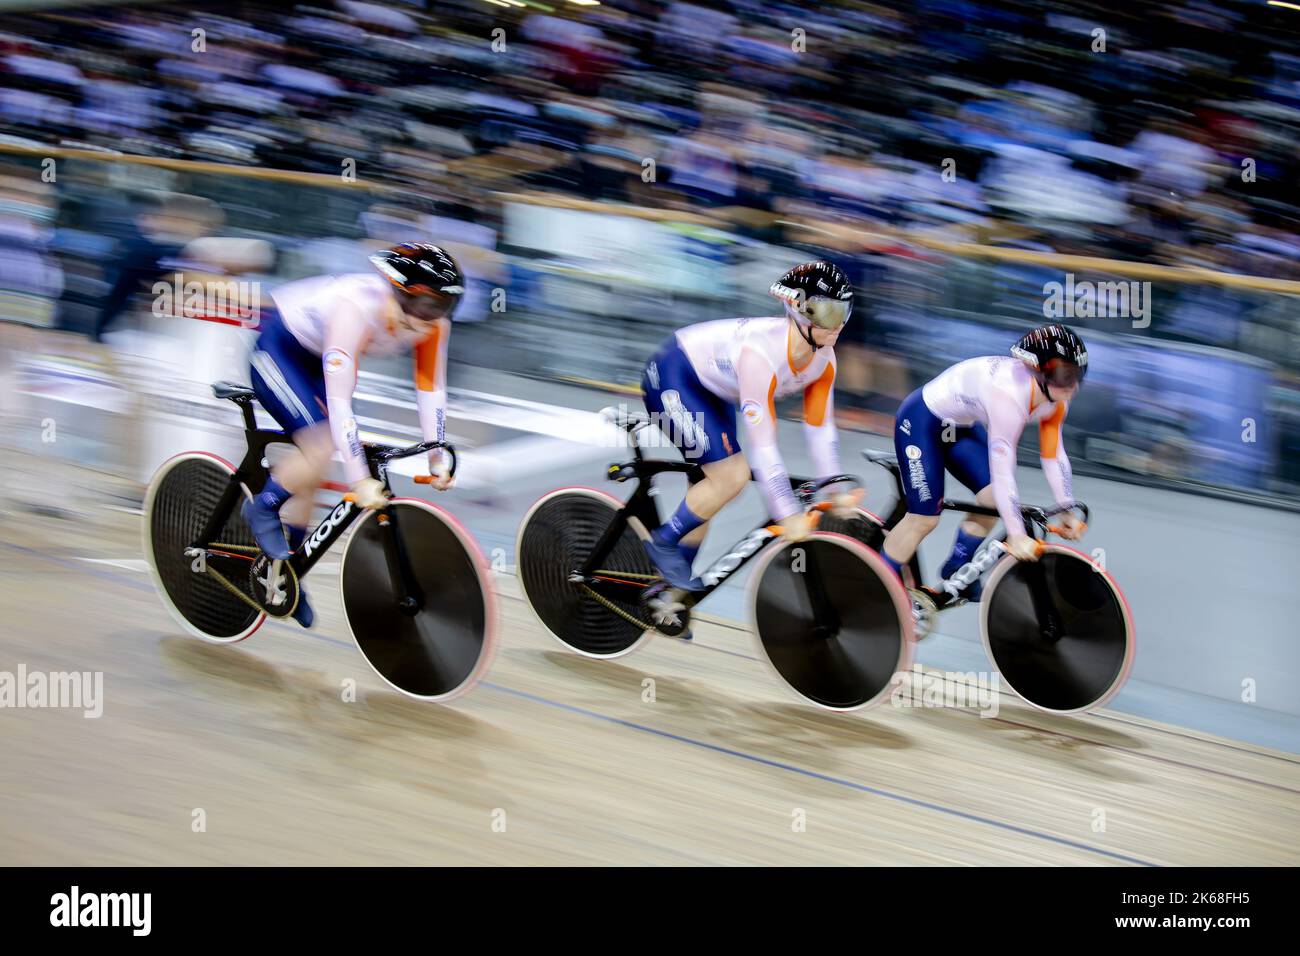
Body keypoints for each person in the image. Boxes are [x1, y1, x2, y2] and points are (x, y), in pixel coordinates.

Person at [241, 242, 463, 627]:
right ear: (399, 290)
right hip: (281, 351)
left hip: (319, 361)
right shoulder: (357, 307)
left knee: (314, 469)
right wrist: (359, 479)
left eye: (444, 306)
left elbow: (430, 387)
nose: (434, 316)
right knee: (322, 442)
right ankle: (262, 506)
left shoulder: (432, 325)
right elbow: (340, 401)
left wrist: (436, 455)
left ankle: (286, 572)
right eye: (428, 304)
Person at [639, 260, 863, 590]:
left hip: (711, 389)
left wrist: (834, 494)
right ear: (800, 310)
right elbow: (763, 447)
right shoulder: (762, 355)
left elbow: (820, 431)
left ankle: (668, 594)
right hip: (674, 374)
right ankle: (663, 541)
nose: (838, 324)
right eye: (829, 313)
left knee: (710, 491)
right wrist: (787, 513)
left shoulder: (824, 360)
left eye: (844, 312)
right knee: (731, 476)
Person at [878, 323, 1090, 625]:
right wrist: (1016, 534)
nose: (1073, 386)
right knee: (924, 518)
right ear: (1037, 370)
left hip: (961, 428)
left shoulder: (1056, 398)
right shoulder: (1010, 395)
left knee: (991, 500)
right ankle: (875, 589)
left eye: (1078, 374)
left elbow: (1054, 455)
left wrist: (1067, 507)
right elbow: (1005, 471)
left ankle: (957, 566)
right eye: (1065, 375)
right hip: (922, 421)